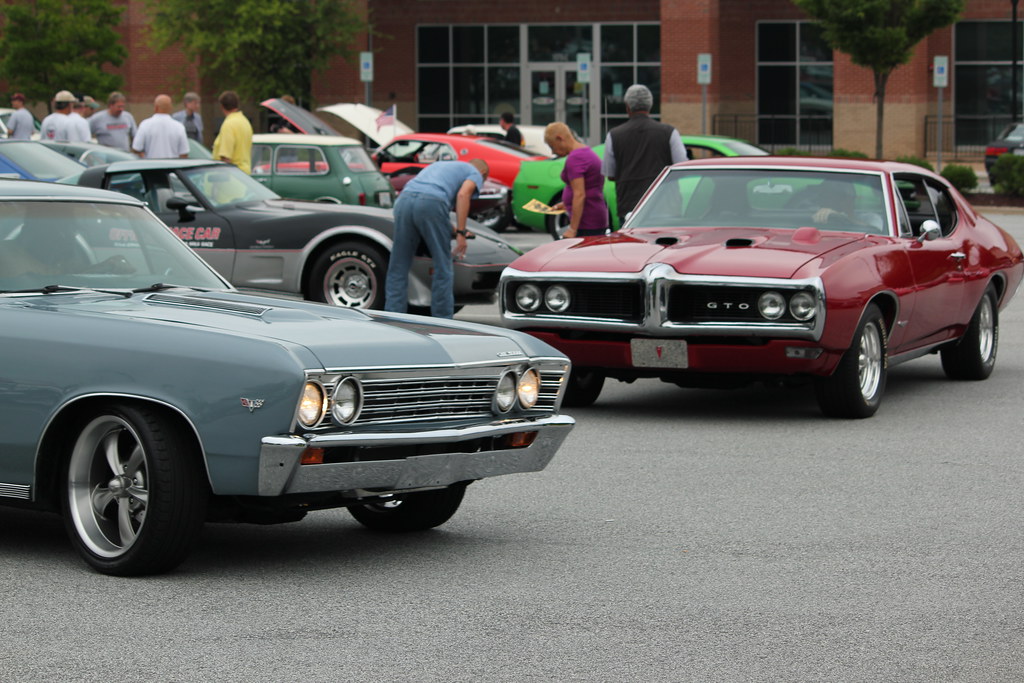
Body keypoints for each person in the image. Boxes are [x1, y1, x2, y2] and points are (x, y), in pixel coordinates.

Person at [384, 158, 488, 318]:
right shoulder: (474, 172)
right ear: (483, 173)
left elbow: (423, 198)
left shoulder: (441, 165)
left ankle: (393, 316)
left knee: (399, 264)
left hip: (404, 201)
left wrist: (449, 228)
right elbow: (462, 195)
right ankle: (443, 319)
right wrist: (461, 233)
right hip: (431, 203)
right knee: (443, 266)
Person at [601, 84, 688, 224]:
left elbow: (610, 174)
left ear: (627, 107)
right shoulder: (669, 132)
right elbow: (681, 166)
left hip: (631, 208)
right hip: (667, 207)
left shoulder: (614, 135)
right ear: (650, 106)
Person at [544, 121, 608, 239]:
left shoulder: (576, 158)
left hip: (587, 222)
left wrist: (572, 229)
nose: (553, 152)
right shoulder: (585, 152)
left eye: (552, 146)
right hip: (595, 217)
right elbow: (589, 187)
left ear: (560, 139)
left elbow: (580, 194)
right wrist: (566, 204)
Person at [132, 94, 190, 159]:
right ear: (170, 108)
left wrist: (145, 158)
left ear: (156, 107)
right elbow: (184, 153)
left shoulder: (145, 125)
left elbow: (136, 148)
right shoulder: (179, 127)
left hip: (151, 166)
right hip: (172, 167)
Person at [212, 90, 253, 174]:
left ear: (222, 106)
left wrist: (216, 184)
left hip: (231, 179)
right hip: (245, 175)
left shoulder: (228, 125)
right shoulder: (245, 122)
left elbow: (225, 157)